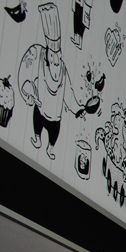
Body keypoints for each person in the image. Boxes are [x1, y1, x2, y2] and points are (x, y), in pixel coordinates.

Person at [17, 3, 86, 160]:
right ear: (47, 55)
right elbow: (25, 72)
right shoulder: (39, 56)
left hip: (55, 116)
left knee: (54, 132)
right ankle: (37, 138)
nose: (56, 61)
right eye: (53, 57)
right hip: (41, 109)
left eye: (58, 56)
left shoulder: (63, 69)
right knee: (37, 121)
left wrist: (77, 109)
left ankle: (50, 147)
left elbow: (68, 92)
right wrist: (28, 92)